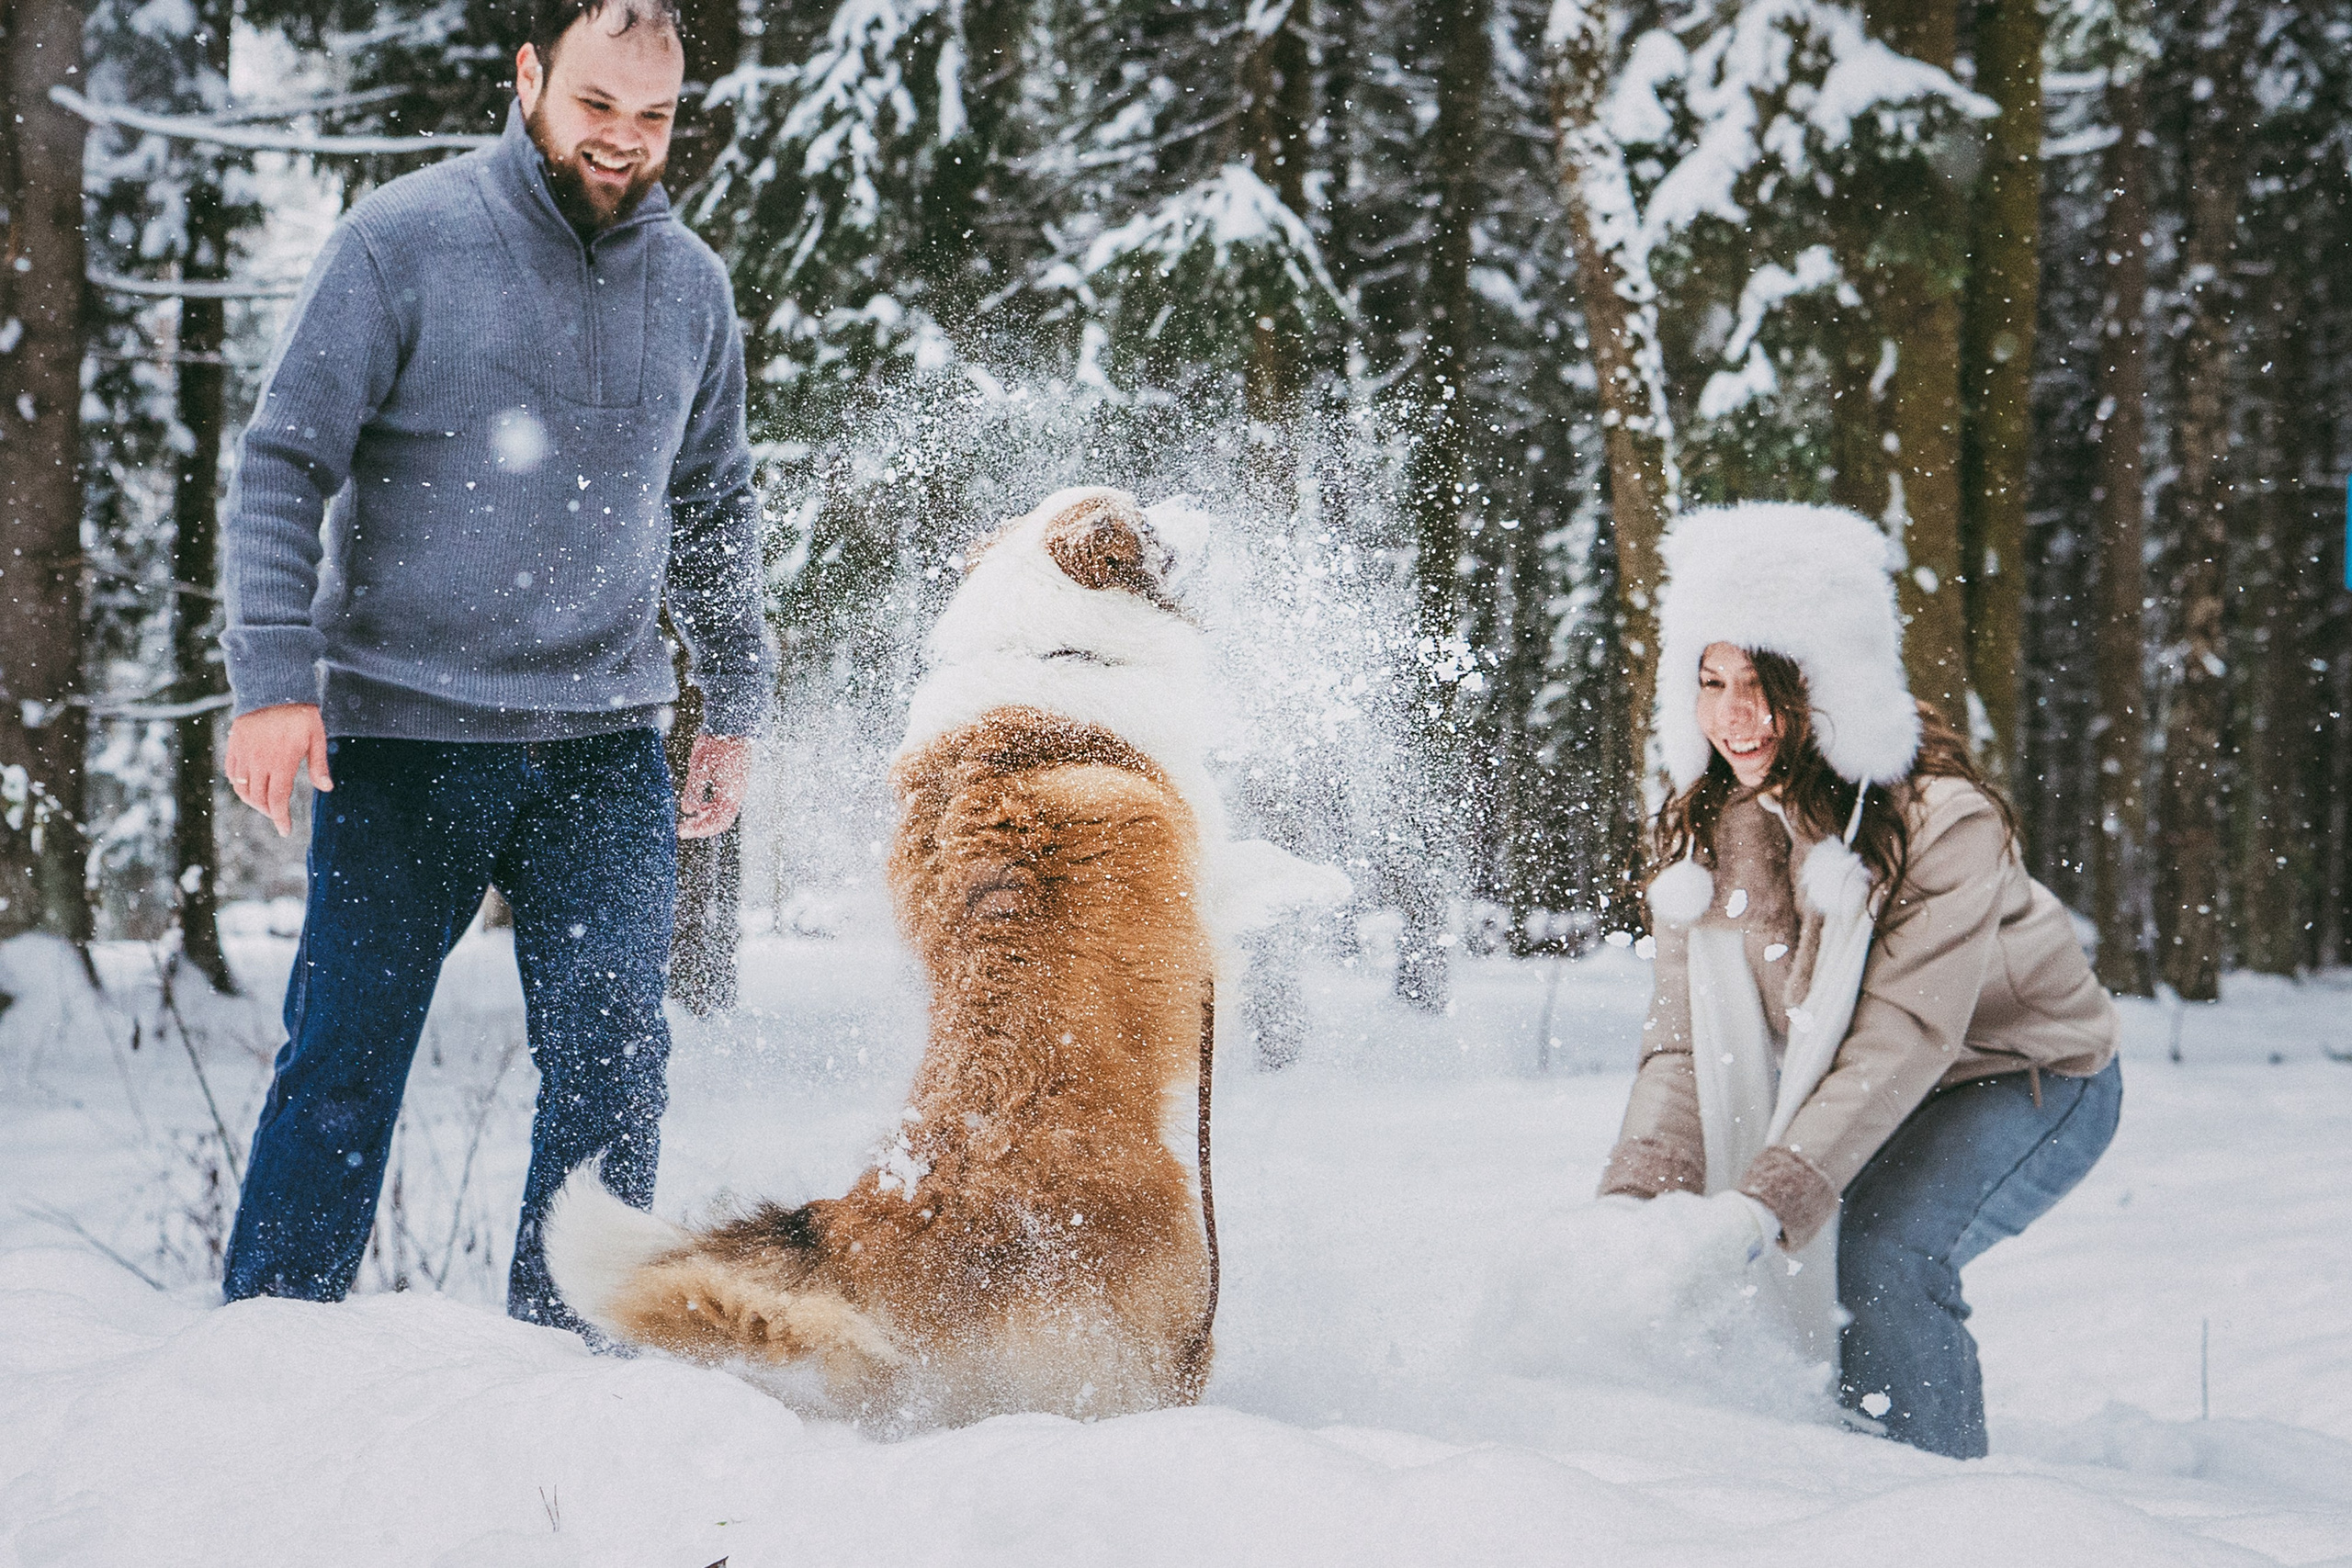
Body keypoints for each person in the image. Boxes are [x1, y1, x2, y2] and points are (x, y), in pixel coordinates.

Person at [215, 0, 766, 1337]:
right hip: (406, 738)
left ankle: (568, 1355)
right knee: (345, 1059)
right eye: (597, 106)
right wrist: (275, 678)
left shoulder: (690, 285)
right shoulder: (402, 243)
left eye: (655, 115)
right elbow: (285, 463)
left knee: (616, 1067)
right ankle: (266, 1355)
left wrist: (737, 700)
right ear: (529, 77)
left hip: (601, 748)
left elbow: (712, 507)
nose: (626, 141)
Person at [1598, 503, 2121, 1459]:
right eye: (1710, 683)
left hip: (2019, 1076)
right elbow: (1686, 1045)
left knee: (1877, 1258)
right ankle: (1823, 1479)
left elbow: (1907, 1034)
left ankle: (1929, 1507)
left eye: (1762, 684)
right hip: (1865, 1079)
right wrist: (1639, 1203)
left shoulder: (1941, 823)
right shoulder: (1707, 834)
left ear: (1825, 685)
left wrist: (1767, 1201)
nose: (1733, 716)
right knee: (1763, 1252)